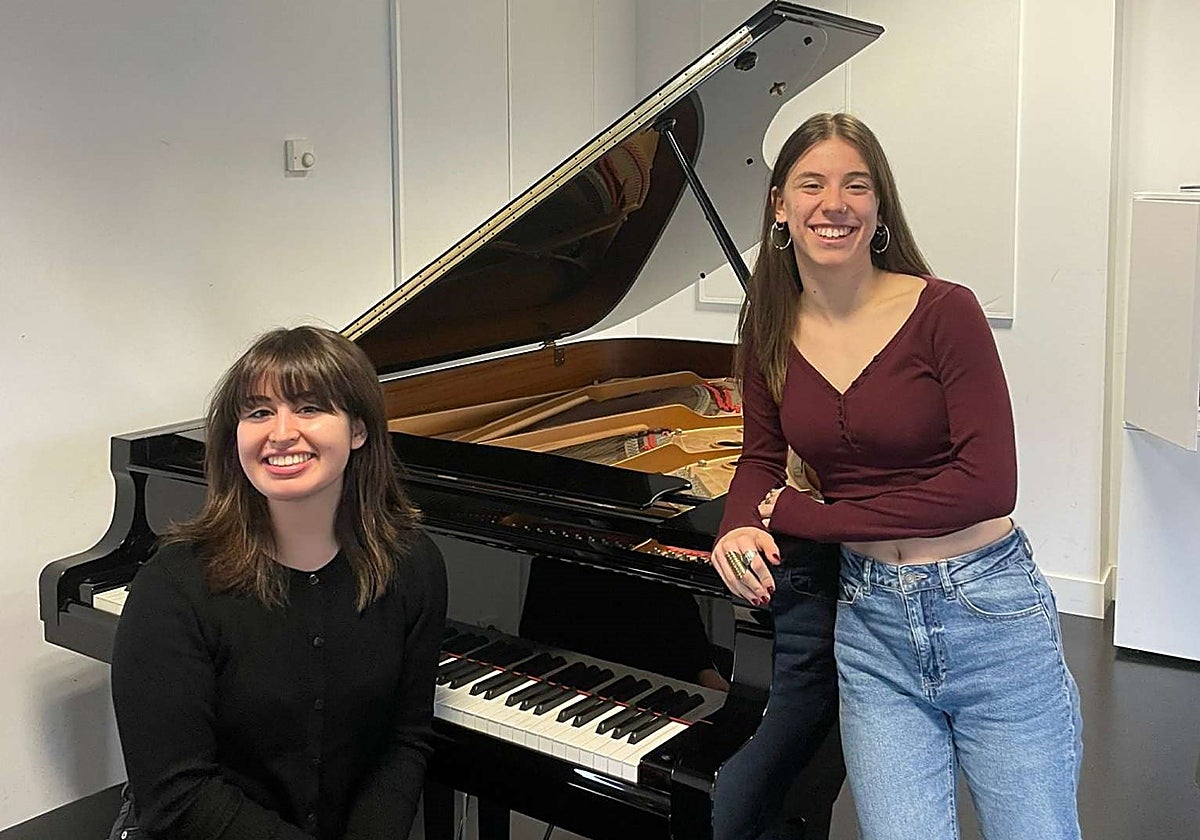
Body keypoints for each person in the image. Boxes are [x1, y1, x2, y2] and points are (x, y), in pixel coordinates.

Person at [709, 113, 1082, 840]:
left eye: (857, 185)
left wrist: (811, 518)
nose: (835, 203)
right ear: (780, 204)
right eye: (812, 184)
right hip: (871, 628)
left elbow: (986, 486)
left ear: (879, 206)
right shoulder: (768, 328)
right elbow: (761, 456)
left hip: (989, 613)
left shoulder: (945, 310)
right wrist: (734, 527)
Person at [110, 326, 447, 840]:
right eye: (259, 412)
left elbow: (405, 741)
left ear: (358, 430)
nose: (281, 432)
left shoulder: (413, 564)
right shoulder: (172, 585)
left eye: (310, 408)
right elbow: (178, 797)